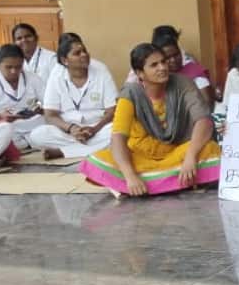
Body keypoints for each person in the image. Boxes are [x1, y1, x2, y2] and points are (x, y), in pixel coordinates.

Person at [79, 43, 220, 196]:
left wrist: (191, 157)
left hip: (178, 152)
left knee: (210, 149)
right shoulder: (130, 94)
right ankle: (171, 182)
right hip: (141, 156)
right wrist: (130, 176)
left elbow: (203, 120)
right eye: (154, 65)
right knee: (97, 160)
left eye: (163, 62)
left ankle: (150, 184)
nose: (162, 67)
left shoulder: (183, 83)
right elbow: (118, 138)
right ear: (140, 73)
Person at [29, 33, 116, 159]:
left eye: (84, 51)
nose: (84, 55)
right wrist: (72, 129)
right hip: (68, 130)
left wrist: (94, 129)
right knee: (37, 135)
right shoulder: (56, 74)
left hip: (98, 127)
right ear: (65, 60)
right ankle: (89, 148)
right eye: (77, 53)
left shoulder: (101, 70)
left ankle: (63, 152)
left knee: (118, 131)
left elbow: (112, 110)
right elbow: (50, 114)